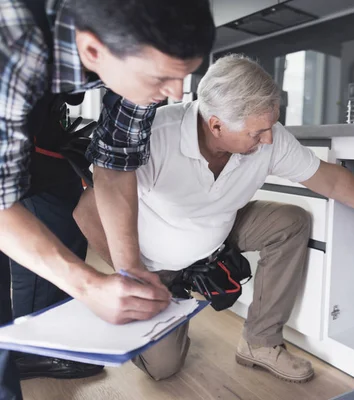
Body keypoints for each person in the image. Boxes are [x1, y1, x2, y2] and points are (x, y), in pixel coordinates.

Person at [73, 54, 354, 383]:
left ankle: (260, 341)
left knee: (290, 221)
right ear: (216, 125)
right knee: (164, 368)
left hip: (217, 234)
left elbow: (331, 179)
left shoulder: (270, 139)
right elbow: (87, 211)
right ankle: (158, 313)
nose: (268, 140)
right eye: (257, 132)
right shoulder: (158, 137)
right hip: (156, 266)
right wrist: (133, 275)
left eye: (270, 126)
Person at [0, 0, 214, 397]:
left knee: (56, 228)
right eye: (162, 77)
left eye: (184, 76)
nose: (177, 93)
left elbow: (116, 164)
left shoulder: (134, 52)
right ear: (94, 51)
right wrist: (86, 285)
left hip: (38, 136)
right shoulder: (11, 36)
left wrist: (129, 271)